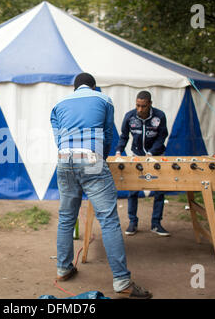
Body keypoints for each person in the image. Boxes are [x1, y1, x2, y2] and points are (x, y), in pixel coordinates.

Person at [50, 73, 152, 299]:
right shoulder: (103, 100)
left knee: (66, 217)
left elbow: (58, 139)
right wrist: (100, 158)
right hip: (91, 159)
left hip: (64, 160)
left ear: (75, 88)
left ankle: (63, 268)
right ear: (94, 87)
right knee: (108, 220)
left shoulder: (58, 104)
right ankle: (122, 281)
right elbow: (107, 135)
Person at [115, 91, 170, 237]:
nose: (140, 109)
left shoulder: (160, 116)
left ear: (150, 104)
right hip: (137, 156)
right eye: (137, 105)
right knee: (133, 190)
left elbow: (162, 137)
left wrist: (151, 153)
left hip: (157, 156)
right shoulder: (130, 116)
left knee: (159, 190)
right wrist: (119, 151)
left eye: (143, 106)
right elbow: (124, 136)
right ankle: (133, 222)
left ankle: (156, 224)